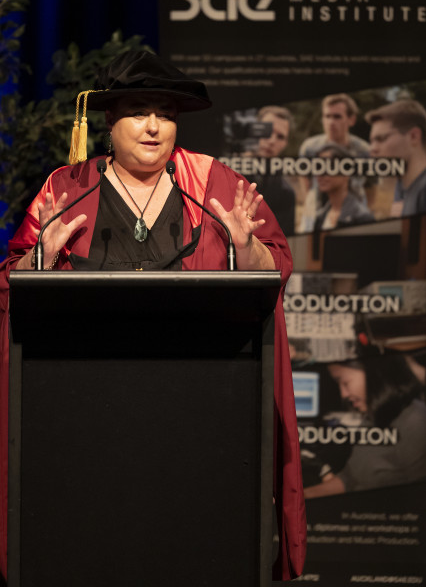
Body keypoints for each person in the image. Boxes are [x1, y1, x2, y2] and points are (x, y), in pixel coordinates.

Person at [0, 50, 306, 581]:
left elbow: (274, 268)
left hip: (199, 403)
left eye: (165, 114)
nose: (153, 126)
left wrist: (245, 246)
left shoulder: (212, 183)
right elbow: (11, 282)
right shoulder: (68, 187)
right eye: (138, 112)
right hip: (82, 402)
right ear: (108, 121)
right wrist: (40, 257)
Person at [304, 354, 426, 498]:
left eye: (345, 383)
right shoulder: (374, 416)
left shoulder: (415, 422)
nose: (343, 394)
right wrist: (304, 496)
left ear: (373, 373)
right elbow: (350, 478)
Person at [366, 99, 426, 217]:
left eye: (381, 139)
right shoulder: (404, 187)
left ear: (414, 136)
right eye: (371, 142)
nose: (372, 149)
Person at [245, 105, 296, 236]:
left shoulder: (286, 194)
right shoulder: (224, 172)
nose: (272, 141)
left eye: (280, 137)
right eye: (268, 131)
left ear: (285, 143)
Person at [313, 143, 375, 230]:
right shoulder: (320, 217)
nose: (320, 174)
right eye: (318, 167)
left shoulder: (362, 218)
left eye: (329, 167)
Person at [299, 93, 370, 158]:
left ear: (352, 120)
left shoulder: (364, 151)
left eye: (337, 117)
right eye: (327, 116)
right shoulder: (309, 148)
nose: (331, 122)